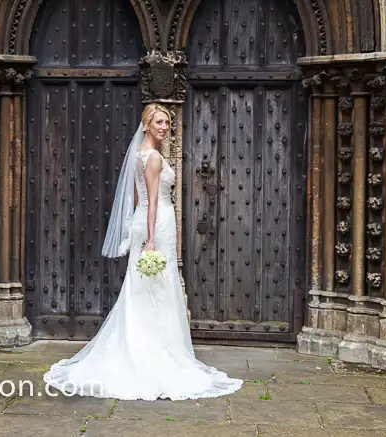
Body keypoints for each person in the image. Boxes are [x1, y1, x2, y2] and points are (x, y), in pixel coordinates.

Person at [42, 103, 243, 400]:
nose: (165, 127)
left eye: (167, 123)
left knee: (143, 288)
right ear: (147, 124)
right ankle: (154, 352)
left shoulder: (140, 156)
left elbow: (138, 198)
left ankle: (144, 343)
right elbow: (149, 201)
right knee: (157, 287)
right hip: (155, 223)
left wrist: (141, 230)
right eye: (160, 122)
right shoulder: (154, 159)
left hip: (147, 221)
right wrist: (150, 239)